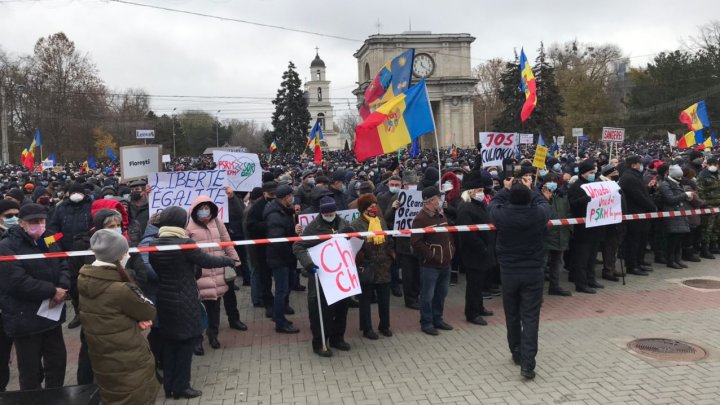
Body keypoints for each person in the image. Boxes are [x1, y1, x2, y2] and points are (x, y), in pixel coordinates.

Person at [149, 206, 235, 399]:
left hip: (164, 298)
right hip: (184, 299)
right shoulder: (184, 243)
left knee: (170, 344)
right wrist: (227, 260)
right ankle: (182, 386)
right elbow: (206, 261)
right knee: (186, 343)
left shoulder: (155, 244)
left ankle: (170, 385)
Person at [78, 229, 159, 404]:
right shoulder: (120, 289)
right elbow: (148, 310)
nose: (128, 254)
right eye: (125, 251)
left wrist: (130, 322)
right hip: (128, 363)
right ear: (118, 255)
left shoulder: (84, 279)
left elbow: (108, 317)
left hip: (105, 362)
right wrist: (137, 318)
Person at [0, 203, 70, 390]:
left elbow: (62, 262)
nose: (39, 224)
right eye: (33, 222)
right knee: (30, 372)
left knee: (57, 363)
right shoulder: (7, 246)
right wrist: (52, 291)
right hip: (25, 320)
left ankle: (55, 397)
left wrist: (62, 287)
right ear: (22, 223)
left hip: (51, 316)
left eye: (41, 220)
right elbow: (16, 281)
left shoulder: (48, 239)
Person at [489, 178, 552, 380]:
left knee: (512, 314)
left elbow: (493, 203)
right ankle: (528, 363)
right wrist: (530, 188)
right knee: (531, 318)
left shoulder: (501, 215)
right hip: (533, 271)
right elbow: (544, 203)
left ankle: (516, 351)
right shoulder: (538, 213)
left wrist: (505, 189)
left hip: (509, 272)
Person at [293, 196, 351, 357]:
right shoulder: (313, 227)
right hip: (321, 276)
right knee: (321, 312)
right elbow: (298, 246)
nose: (331, 214)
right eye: (327, 212)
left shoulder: (342, 223)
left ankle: (337, 338)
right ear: (321, 213)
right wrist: (308, 264)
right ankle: (320, 343)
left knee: (341, 309)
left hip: (341, 275)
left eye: (333, 211)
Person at [186, 195, 243, 354]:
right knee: (199, 309)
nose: (204, 211)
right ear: (195, 210)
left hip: (217, 271)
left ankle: (213, 335)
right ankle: (197, 340)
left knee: (215, 307)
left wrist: (235, 260)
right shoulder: (188, 226)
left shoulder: (217, 223)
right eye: (201, 208)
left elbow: (227, 241)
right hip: (199, 274)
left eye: (207, 208)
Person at [349, 194, 394, 340]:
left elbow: (388, 239)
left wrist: (390, 254)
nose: (373, 208)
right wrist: (360, 257)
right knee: (365, 301)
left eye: (374, 205)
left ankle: (384, 325)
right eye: (370, 205)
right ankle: (367, 328)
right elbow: (353, 246)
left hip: (383, 265)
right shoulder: (356, 224)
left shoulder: (380, 221)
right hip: (366, 267)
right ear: (363, 208)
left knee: (384, 299)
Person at [411, 186, 455, 336]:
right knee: (427, 295)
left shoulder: (441, 215)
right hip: (430, 265)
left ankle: (438, 319)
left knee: (441, 293)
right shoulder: (420, 219)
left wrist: (451, 249)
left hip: (445, 262)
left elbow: (449, 235)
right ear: (431, 200)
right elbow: (416, 242)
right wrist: (431, 255)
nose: (440, 200)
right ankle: (426, 322)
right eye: (438, 198)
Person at [455, 171, 496, 325]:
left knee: (480, 282)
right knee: (474, 284)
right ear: (470, 192)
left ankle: (479, 307)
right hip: (474, 252)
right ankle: (472, 312)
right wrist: (482, 247)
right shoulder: (465, 208)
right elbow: (467, 233)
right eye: (478, 190)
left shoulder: (481, 205)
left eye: (481, 190)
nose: (481, 193)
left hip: (484, 250)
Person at [263, 184, 300, 334]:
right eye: (291, 196)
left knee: (288, 285)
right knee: (281, 290)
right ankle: (280, 322)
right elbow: (277, 239)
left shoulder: (281, 210)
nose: (293, 198)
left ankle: (280, 315)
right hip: (280, 258)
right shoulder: (275, 215)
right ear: (286, 197)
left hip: (285, 257)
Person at [568, 160, 607, 293]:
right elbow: (573, 204)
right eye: (590, 172)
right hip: (582, 229)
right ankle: (581, 284)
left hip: (595, 227)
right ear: (583, 173)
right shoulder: (576, 186)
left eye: (594, 173)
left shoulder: (595, 185)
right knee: (582, 259)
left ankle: (591, 279)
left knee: (591, 258)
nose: (593, 175)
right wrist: (587, 198)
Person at [619, 155, 657, 276]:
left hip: (642, 214)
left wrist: (649, 188)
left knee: (641, 240)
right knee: (633, 241)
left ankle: (639, 261)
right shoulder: (629, 177)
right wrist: (651, 207)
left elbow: (642, 191)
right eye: (639, 163)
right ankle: (632, 265)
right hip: (634, 213)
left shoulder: (636, 175)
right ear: (634, 164)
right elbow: (637, 196)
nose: (642, 166)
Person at [246, 181, 277, 318]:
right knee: (265, 277)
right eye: (271, 194)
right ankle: (268, 303)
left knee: (282, 277)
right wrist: (268, 224)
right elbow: (251, 227)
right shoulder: (256, 208)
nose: (274, 196)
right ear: (264, 194)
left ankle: (283, 302)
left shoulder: (280, 203)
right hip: (263, 249)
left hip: (279, 248)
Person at [540, 173, 573, 296]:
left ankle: (555, 286)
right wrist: (545, 199)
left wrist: (570, 229)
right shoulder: (539, 197)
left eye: (554, 181)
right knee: (541, 264)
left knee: (557, 263)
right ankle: (537, 289)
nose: (552, 183)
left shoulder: (562, 196)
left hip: (560, 234)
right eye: (550, 181)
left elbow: (568, 213)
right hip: (545, 236)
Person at [0, 200, 19, 391]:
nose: (13, 219)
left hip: (13, 307)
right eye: (8, 216)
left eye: (16, 214)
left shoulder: (21, 238)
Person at [659, 165, 693, 268]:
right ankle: (671, 260)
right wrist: (685, 195)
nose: (680, 179)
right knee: (673, 239)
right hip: (672, 214)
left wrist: (687, 198)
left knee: (679, 239)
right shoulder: (665, 185)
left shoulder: (678, 184)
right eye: (678, 177)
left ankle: (678, 258)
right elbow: (670, 199)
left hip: (680, 213)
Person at [127, 179, 150, 244]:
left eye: (137, 189)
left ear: (144, 191)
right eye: (132, 190)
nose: (134, 192)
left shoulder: (151, 208)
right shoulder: (128, 207)